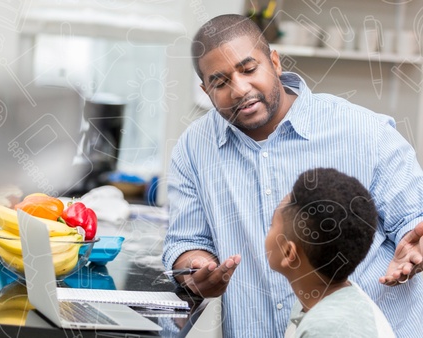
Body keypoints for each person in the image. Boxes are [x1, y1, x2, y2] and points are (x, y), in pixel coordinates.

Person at [162, 14, 423, 337]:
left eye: (248, 69)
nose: (240, 89)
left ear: (274, 61)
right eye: (220, 82)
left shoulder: (364, 131)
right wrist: (197, 270)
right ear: (206, 89)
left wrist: (417, 246)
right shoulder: (193, 148)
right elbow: (186, 242)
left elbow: (414, 221)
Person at [267, 168, 395, 337]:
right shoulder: (313, 306)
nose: (268, 231)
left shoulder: (327, 328)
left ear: (289, 252)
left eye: (271, 225)